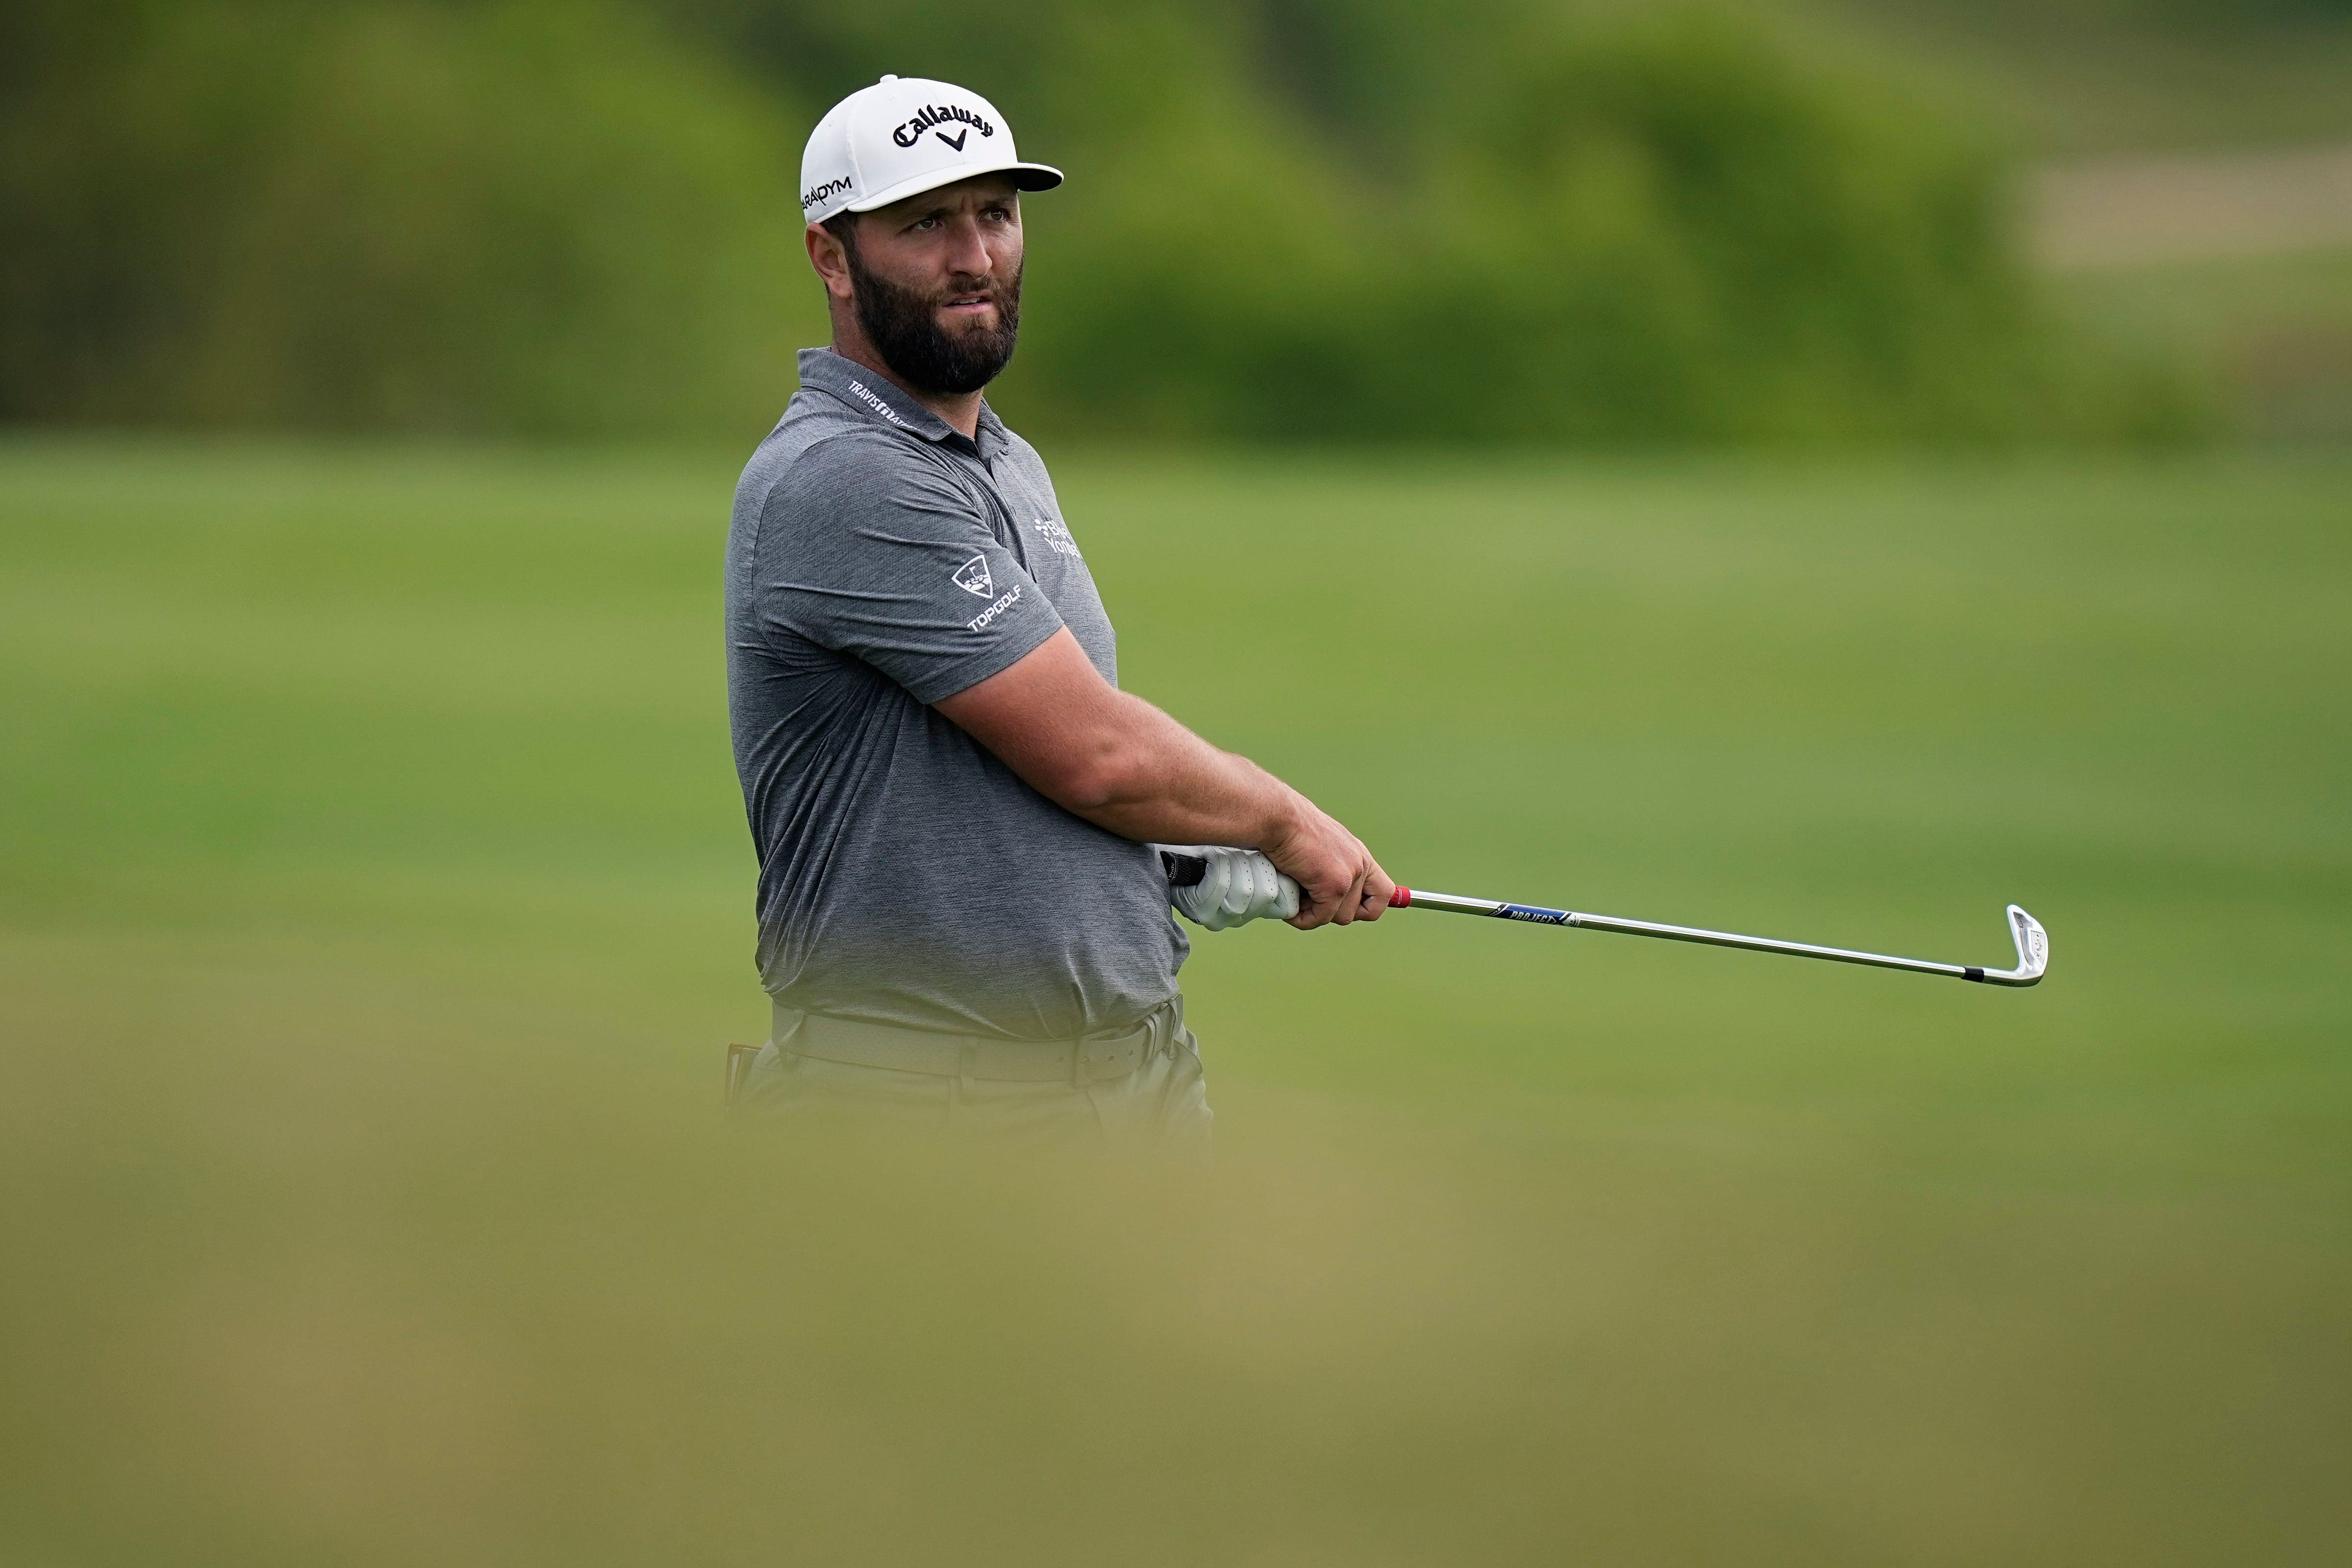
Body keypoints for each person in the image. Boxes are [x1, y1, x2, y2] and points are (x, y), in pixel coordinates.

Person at [724, 75, 1391, 1150]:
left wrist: (1169, 856)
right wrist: (1280, 820)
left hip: (1133, 1078)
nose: (974, 256)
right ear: (830, 257)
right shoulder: (842, 478)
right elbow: (1096, 755)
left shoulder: (1002, 458)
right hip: (925, 1106)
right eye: (924, 223)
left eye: (995, 212)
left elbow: (1021, 760)